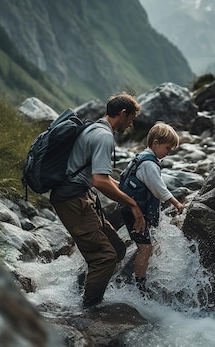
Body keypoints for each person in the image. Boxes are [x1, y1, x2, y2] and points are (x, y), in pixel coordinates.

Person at [50, 92, 146, 309]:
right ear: (123, 114)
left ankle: (80, 290)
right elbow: (100, 181)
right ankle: (88, 311)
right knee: (105, 257)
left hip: (78, 195)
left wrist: (128, 194)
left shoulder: (94, 128)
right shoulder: (104, 136)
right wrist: (132, 204)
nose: (131, 124)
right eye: (131, 118)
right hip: (72, 199)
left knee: (117, 248)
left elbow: (102, 177)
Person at [119, 122, 184, 293]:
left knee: (148, 244)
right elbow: (158, 187)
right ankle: (140, 285)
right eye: (167, 148)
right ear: (155, 143)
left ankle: (145, 275)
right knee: (145, 247)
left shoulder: (141, 158)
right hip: (136, 212)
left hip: (132, 208)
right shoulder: (149, 164)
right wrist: (176, 202)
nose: (168, 153)